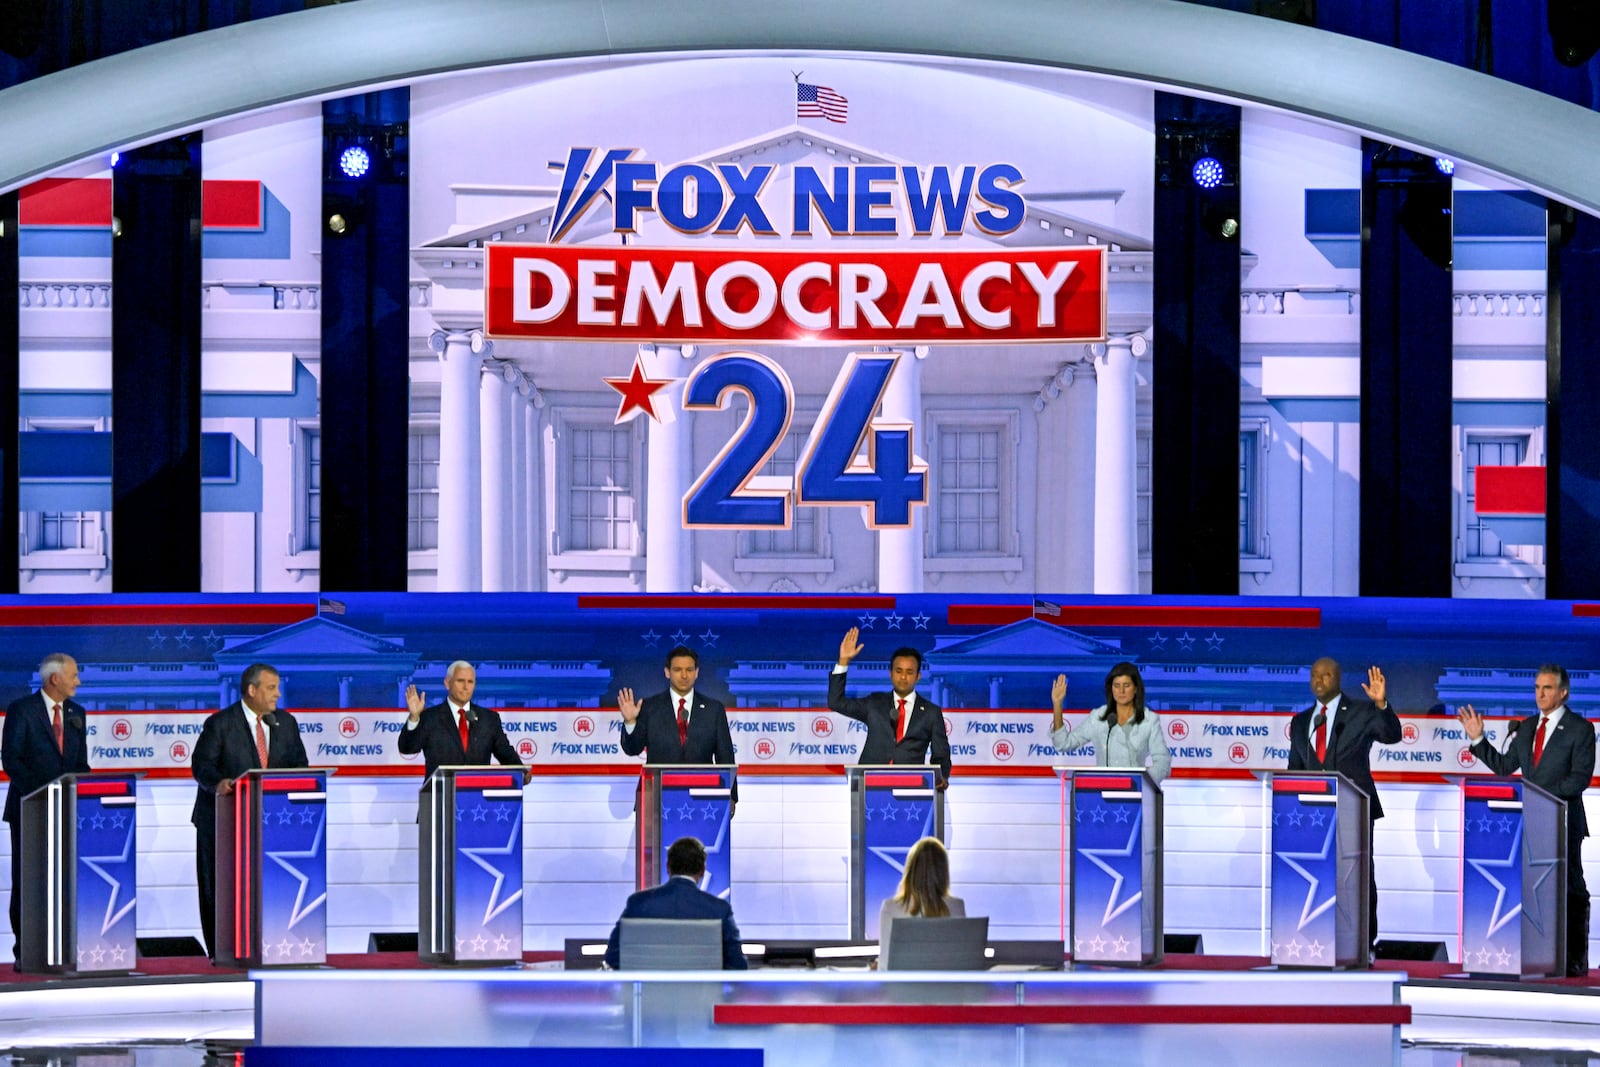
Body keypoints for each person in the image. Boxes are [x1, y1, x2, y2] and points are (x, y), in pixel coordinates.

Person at [1458, 664, 1595, 976]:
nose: (1540, 694)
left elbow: (1579, 779)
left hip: (1563, 820)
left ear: (1563, 692)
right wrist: (1479, 740)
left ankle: (1576, 958)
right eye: (1536, 688)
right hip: (1528, 820)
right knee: (1532, 887)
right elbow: (1505, 767)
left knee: (1570, 886)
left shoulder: (1580, 729)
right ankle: (1536, 953)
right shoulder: (1527, 728)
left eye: (1547, 688)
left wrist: (1541, 796)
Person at [190, 662, 309, 960]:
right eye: (271, 688)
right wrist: (219, 783)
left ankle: (270, 945)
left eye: (278, 688)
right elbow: (201, 766)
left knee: (269, 888)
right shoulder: (220, 723)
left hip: (271, 822)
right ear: (251, 690)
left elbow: (301, 767)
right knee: (219, 890)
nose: (277, 695)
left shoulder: (287, 723)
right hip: (222, 823)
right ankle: (222, 952)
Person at [1286, 657, 1401, 945]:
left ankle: (1363, 942)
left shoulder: (1362, 712)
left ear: (1337, 679)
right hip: (1313, 816)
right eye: (1313, 675)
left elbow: (1392, 735)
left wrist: (1381, 705)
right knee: (1315, 875)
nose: (1318, 680)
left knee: (1357, 876)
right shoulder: (1301, 722)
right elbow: (1294, 771)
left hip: (1355, 810)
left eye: (1325, 675)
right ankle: (1316, 937)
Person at [3, 654, 91, 962]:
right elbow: (11, 760)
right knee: (29, 879)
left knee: (66, 879)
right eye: (74, 675)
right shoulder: (21, 711)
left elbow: (81, 764)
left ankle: (64, 947)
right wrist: (43, 793)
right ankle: (26, 950)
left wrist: (83, 787)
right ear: (55, 679)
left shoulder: (78, 714)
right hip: (31, 808)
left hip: (67, 809)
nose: (78, 681)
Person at [829, 628, 951, 787]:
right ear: (891, 673)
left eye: (909, 672)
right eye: (898, 671)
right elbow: (836, 702)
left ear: (918, 676)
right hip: (870, 783)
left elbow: (941, 753)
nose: (903, 677)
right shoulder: (874, 703)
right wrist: (843, 661)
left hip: (911, 787)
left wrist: (941, 776)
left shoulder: (931, 712)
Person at [603, 836, 747, 970]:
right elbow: (738, 966)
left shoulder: (638, 904)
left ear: (668, 867)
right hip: (703, 997)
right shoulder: (720, 910)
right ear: (703, 871)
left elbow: (613, 957)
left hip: (649, 996)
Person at [618, 645, 738, 806]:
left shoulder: (713, 709)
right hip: (657, 798)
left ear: (697, 672)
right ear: (667, 672)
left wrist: (730, 796)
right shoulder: (650, 707)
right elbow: (633, 749)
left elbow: (726, 756)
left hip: (703, 800)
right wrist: (630, 722)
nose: (684, 675)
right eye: (677, 669)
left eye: (689, 669)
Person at [397, 660, 526, 782]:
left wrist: (521, 772)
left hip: (478, 800)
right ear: (447, 683)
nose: (466, 687)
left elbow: (505, 752)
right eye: (460, 681)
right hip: (439, 797)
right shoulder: (430, 717)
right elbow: (407, 748)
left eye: (470, 682)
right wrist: (414, 717)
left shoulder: (489, 719)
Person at [1048, 663, 1171, 782]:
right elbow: (1063, 744)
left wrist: (1143, 784)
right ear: (1111, 689)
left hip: (1136, 795)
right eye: (1116, 686)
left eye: (1126, 685)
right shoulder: (1098, 717)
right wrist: (1057, 705)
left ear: (1136, 689)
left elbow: (1163, 761)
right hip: (1101, 793)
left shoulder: (1149, 720)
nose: (1121, 691)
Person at [878, 836, 965, 964]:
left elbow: (886, 964)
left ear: (910, 869)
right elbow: (962, 962)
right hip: (944, 984)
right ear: (943, 872)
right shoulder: (956, 906)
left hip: (902, 984)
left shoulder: (890, 907)